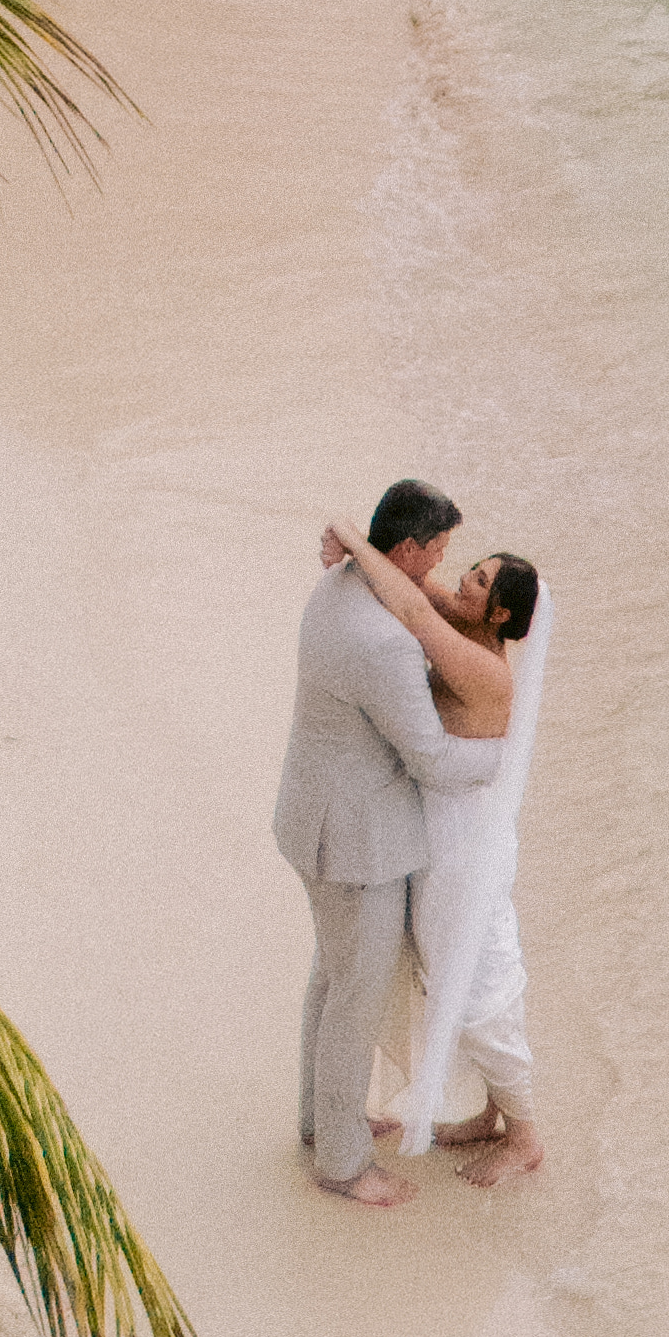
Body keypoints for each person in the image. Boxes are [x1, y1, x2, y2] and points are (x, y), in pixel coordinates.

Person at [322, 514, 545, 1178]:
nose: (461, 582)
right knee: (448, 969)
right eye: (468, 570)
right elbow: (414, 585)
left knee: (477, 985)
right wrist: (364, 554)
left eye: (476, 581)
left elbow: (416, 609)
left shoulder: (484, 669)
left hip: (466, 846)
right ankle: (490, 1114)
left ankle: (526, 1137)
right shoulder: (469, 620)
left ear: (500, 612)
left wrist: (349, 536)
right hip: (442, 833)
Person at [269, 479, 471, 1206]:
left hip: (314, 815)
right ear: (408, 549)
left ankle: (321, 1123)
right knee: (353, 993)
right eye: (439, 550)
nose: (445, 563)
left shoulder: (340, 587)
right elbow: (430, 756)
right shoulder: (383, 641)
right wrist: (502, 760)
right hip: (355, 844)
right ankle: (344, 1162)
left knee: (331, 977)